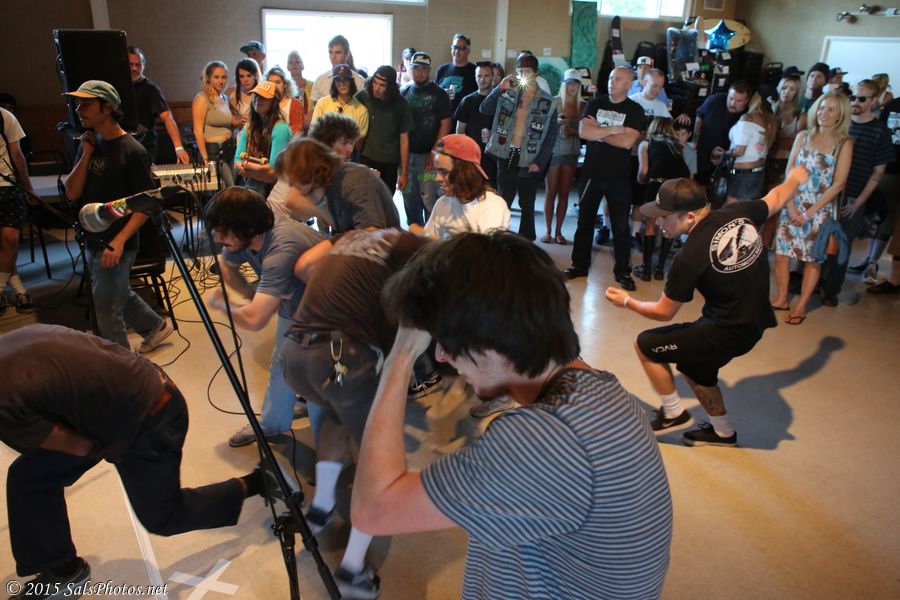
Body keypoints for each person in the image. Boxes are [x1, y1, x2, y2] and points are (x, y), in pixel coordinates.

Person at [352, 231, 673, 600]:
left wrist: (401, 356)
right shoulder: (601, 393)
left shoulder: (547, 442)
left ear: (491, 341)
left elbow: (373, 510)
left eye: (446, 341)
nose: (440, 356)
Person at [1, 325, 269, 598]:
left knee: (163, 518)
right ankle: (63, 571)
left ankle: (260, 481)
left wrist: (98, 440)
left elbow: (78, 447)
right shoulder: (7, 348)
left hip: (151, 416)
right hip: (138, 384)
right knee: (30, 477)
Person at [604, 171, 809, 446]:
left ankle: (673, 413)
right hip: (755, 321)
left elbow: (663, 312)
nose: (658, 221)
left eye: (664, 216)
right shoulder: (739, 212)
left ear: (689, 216)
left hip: (726, 329)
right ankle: (724, 433)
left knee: (645, 344)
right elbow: (777, 197)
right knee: (695, 367)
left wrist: (627, 302)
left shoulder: (688, 258)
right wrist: (794, 178)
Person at [284, 228, 429, 599]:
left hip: (297, 355)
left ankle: (321, 508)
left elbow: (305, 268)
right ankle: (352, 569)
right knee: (379, 462)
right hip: (343, 359)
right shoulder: (417, 250)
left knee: (335, 418)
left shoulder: (352, 238)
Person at [203, 187, 324, 447]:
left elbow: (256, 320)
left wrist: (223, 304)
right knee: (281, 363)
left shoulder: (281, 248)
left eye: (223, 231)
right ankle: (272, 423)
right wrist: (253, 296)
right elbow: (227, 268)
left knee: (315, 379)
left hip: (332, 312)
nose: (217, 238)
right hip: (299, 306)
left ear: (247, 227)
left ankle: (331, 453)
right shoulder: (245, 236)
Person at [62, 80, 173, 352]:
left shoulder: (133, 151)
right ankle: (155, 326)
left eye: (86, 104)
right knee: (115, 291)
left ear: (108, 107)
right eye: (78, 104)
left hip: (117, 240)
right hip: (93, 236)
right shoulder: (91, 144)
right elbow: (72, 192)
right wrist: (86, 154)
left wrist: (120, 241)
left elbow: (147, 204)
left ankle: (122, 367)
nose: (79, 110)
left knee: (106, 309)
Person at [771, 91, 853, 324]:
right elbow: (789, 173)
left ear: (840, 115)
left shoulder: (843, 143)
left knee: (812, 258)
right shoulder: (803, 136)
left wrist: (809, 212)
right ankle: (782, 298)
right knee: (782, 254)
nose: (823, 113)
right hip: (792, 202)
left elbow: (838, 184)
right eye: (821, 107)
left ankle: (801, 306)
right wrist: (791, 206)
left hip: (819, 209)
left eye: (830, 109)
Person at [563, 66, 643, 289]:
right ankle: (579, 266)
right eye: (610, 77)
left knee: (621, 227)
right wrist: (615, 130)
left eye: (618, 79)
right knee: (584, 222)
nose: (611, 82)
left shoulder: (635, 110)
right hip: (592, 173)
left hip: (619, 177)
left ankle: (623, 272)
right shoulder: (595, 104)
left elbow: (627, 143)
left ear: (628, 84)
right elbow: (584, 132)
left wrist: (599, 131)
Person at [820, 79, 893, 302]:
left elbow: (877, 173)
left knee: (842, 244)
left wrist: (859, 202)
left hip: (853, 196)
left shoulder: (880, 131)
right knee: (820, 240)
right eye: (853, 97)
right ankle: (814, 282)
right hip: (828, 193)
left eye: (862, 98)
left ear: (873, 101)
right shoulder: (842, 124)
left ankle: (831, 290)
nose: (855, 102)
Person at [481, 53, 559, 241]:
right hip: (506, 153)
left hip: (530, 157)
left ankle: (526, 242)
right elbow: (485, 108)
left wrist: (539, 162)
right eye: (520, 71)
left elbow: (551, 136)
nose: (523, 75)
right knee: (503, 201)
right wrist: (500, 88)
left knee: (527, 204)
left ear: (536, 73)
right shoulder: (507, 92)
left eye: (527, 72)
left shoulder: (548, 101)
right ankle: (500, 239)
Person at [278, 137, 400, 233]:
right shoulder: (322, 186)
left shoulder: (353, 182)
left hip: (382, 246)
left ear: (308, 171)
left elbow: (372, 234)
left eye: (292, 178)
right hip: (357, 240)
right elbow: (291, 201)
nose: (291, 184)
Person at [417, 134, 509, 239]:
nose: (437, 178)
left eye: (444, 172)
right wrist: (420, 236)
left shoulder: (493, 207)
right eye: (437, 171)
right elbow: (429, 236)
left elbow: (483, 249)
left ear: (465, 172)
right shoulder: (442, 203)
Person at [400, 52, 452, 226]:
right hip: (406, 157)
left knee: (429, 199)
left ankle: (431, 235)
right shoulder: (404, 92)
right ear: (410, 69)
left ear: (429, 70)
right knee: (408, 197)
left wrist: (434, 152)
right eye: (416, 68)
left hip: (428, 157)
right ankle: (415, 232)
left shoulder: (439, 94)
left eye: (424, 69)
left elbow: (446, 124)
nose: (420, 73)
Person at [635, 118, 690, 281]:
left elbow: (643, 171)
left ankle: (646, 269)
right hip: (677, 185)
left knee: (650, 225)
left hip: (657, 184)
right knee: (669, 225)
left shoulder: (646, 144)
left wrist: (641, 181)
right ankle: (659, 269)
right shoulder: (677, 145)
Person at [0, 102, 35, 314]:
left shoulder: (5, 116)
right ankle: (19, 290)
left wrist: (28, 188)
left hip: (7, 185)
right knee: (4, 245)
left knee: (10, 240)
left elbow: (18, 155)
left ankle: (0, 290)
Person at [356, 65, 414, 193]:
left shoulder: (401, 105)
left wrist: (404, 173)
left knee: (386, 197)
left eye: (382, 85)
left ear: (391, 87)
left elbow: (404, 140)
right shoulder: (364, 96)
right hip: (366, 156)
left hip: (390, 161)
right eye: (375, 83)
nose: (376, 88)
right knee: (364, 196)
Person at [127, 47, 189, 164]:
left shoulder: (151, 89)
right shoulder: (117, 86)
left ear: (143, 66)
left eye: (138, 65)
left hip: (144, 144)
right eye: (130, 64)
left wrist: (179, 148)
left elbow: (168, 117)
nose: (134, 68)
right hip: (123, 143)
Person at [542, 69, 583, 245]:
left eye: (575, 83)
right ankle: (548, 231)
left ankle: (558, 231)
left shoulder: (584, 105)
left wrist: (572, 130)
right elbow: (541, 124)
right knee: (550, 192)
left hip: (571, 151)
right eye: (569, 83)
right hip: (553, 151)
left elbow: (587, 131)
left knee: (564, 193)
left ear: (579, 86)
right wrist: (555, 122)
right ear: (564, 84)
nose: (572, 87)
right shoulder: (554, 101)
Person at [232, 81, 291, 198]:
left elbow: (274, 172)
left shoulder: (280, 128)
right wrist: (261, 170)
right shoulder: (249, 127)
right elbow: (237, 162)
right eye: (256, 96)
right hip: (253, 185)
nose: (258, 100)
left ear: (274, 102)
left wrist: (248, 167)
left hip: (278, 190)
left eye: (264, 98)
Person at [691, 80, 751, 185]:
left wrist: (725, 156)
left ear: (746, 101)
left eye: (738, 101)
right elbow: (699, 116)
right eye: (731, 98)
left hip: (725, 161)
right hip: (702, 153)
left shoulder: (747, 116)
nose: (732, 103)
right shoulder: (715, 100)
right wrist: (694, 141)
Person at [721, 92, 777, 203]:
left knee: (730, 208)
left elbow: (739, 151)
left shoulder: (748, 118)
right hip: (758, 171)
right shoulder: (771, 121)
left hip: (742, 172)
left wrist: (723, 154)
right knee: (744, 209)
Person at [191, 61, 236, 186]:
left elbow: (231, 123)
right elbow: (197, 130)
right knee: (231, 188)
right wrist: (205, 158)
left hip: (230, 149)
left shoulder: (225, 98)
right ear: (208, 78)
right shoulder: (201, 98)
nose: (221, 81)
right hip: (215, 153)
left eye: (224, 77)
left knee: (234, 188)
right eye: (216, 77)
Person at [454, 61, 497, 186]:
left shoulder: (500, 100)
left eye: (486, 76)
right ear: (475, 77)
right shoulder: (467, 101)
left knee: (492, 192)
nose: (482, 80)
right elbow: (460, 132)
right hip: (472, 157)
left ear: (493, 77)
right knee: (471, 191)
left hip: (494, 158)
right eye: (479, 76)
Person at [311, 64, 369, 142]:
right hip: (323, 148)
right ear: (334, 83)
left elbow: (359, 143)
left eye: (345, 79)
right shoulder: (322, 103)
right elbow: (314, 134)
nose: (342, 84)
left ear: (351, 81)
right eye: (338, 80)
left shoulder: (361, 110)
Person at [434, 33, 477, 125]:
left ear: (468, 50)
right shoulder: (442, 70)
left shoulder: (474, 71)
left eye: (462, 48)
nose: (457, 51)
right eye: (455, 47)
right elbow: (434, 94)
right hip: (442, 120)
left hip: (464, 122)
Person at [310, 35, 366, 104]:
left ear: (347, 54)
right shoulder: (320, 80)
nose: (333, 56)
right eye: (330, 52)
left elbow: (363, 107)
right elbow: (316, 108)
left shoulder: (360, 81)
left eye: (337, 52)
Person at [266, 66, 305, 134]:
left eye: (278, 82)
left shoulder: (295, 104)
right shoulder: (263, 103)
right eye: (270, 83)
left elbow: (297, 132)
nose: (274, 86)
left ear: (285, 85)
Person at [228, 58, 261, 133]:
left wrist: (254, 120)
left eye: (249, 75)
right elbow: (233, 123)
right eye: (241, 76)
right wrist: (240, 121)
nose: (245, 80)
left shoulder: (262, 93)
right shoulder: (234, 95)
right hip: (243, 134)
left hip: (260, 134)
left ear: (255, 75)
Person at [286, 50, 313, 130]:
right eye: (291, 62)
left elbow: (318, 104)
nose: (294, 65)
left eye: (297, 62)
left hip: (311, 126)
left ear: (303, 66)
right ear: (287, 67)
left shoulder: (313, 85)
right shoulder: (284, 87)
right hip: (291, 127)